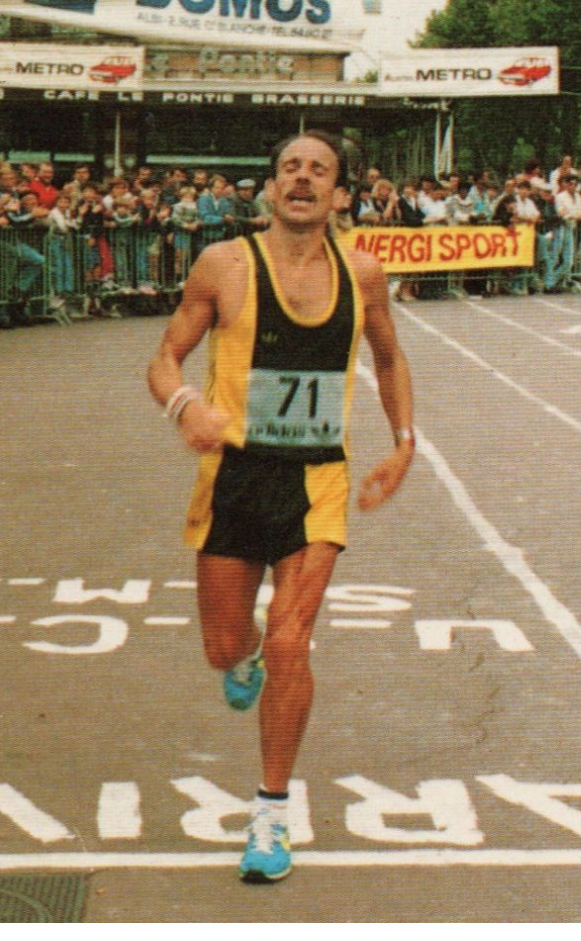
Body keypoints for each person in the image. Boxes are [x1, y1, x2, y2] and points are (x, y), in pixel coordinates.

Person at [146, 131, 415, 884]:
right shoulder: (224, 266)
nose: (301, 178)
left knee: (293, 642)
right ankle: (247, 655)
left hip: (315, 481)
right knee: (227, 647)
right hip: (233, 477)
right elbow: (164, 355)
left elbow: (390, 358)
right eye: (289, 168)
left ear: (340, 196)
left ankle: (270, 812)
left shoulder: (363, 275)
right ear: (269, 187)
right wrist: (182, 404)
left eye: (318, 170)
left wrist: (404, 441)